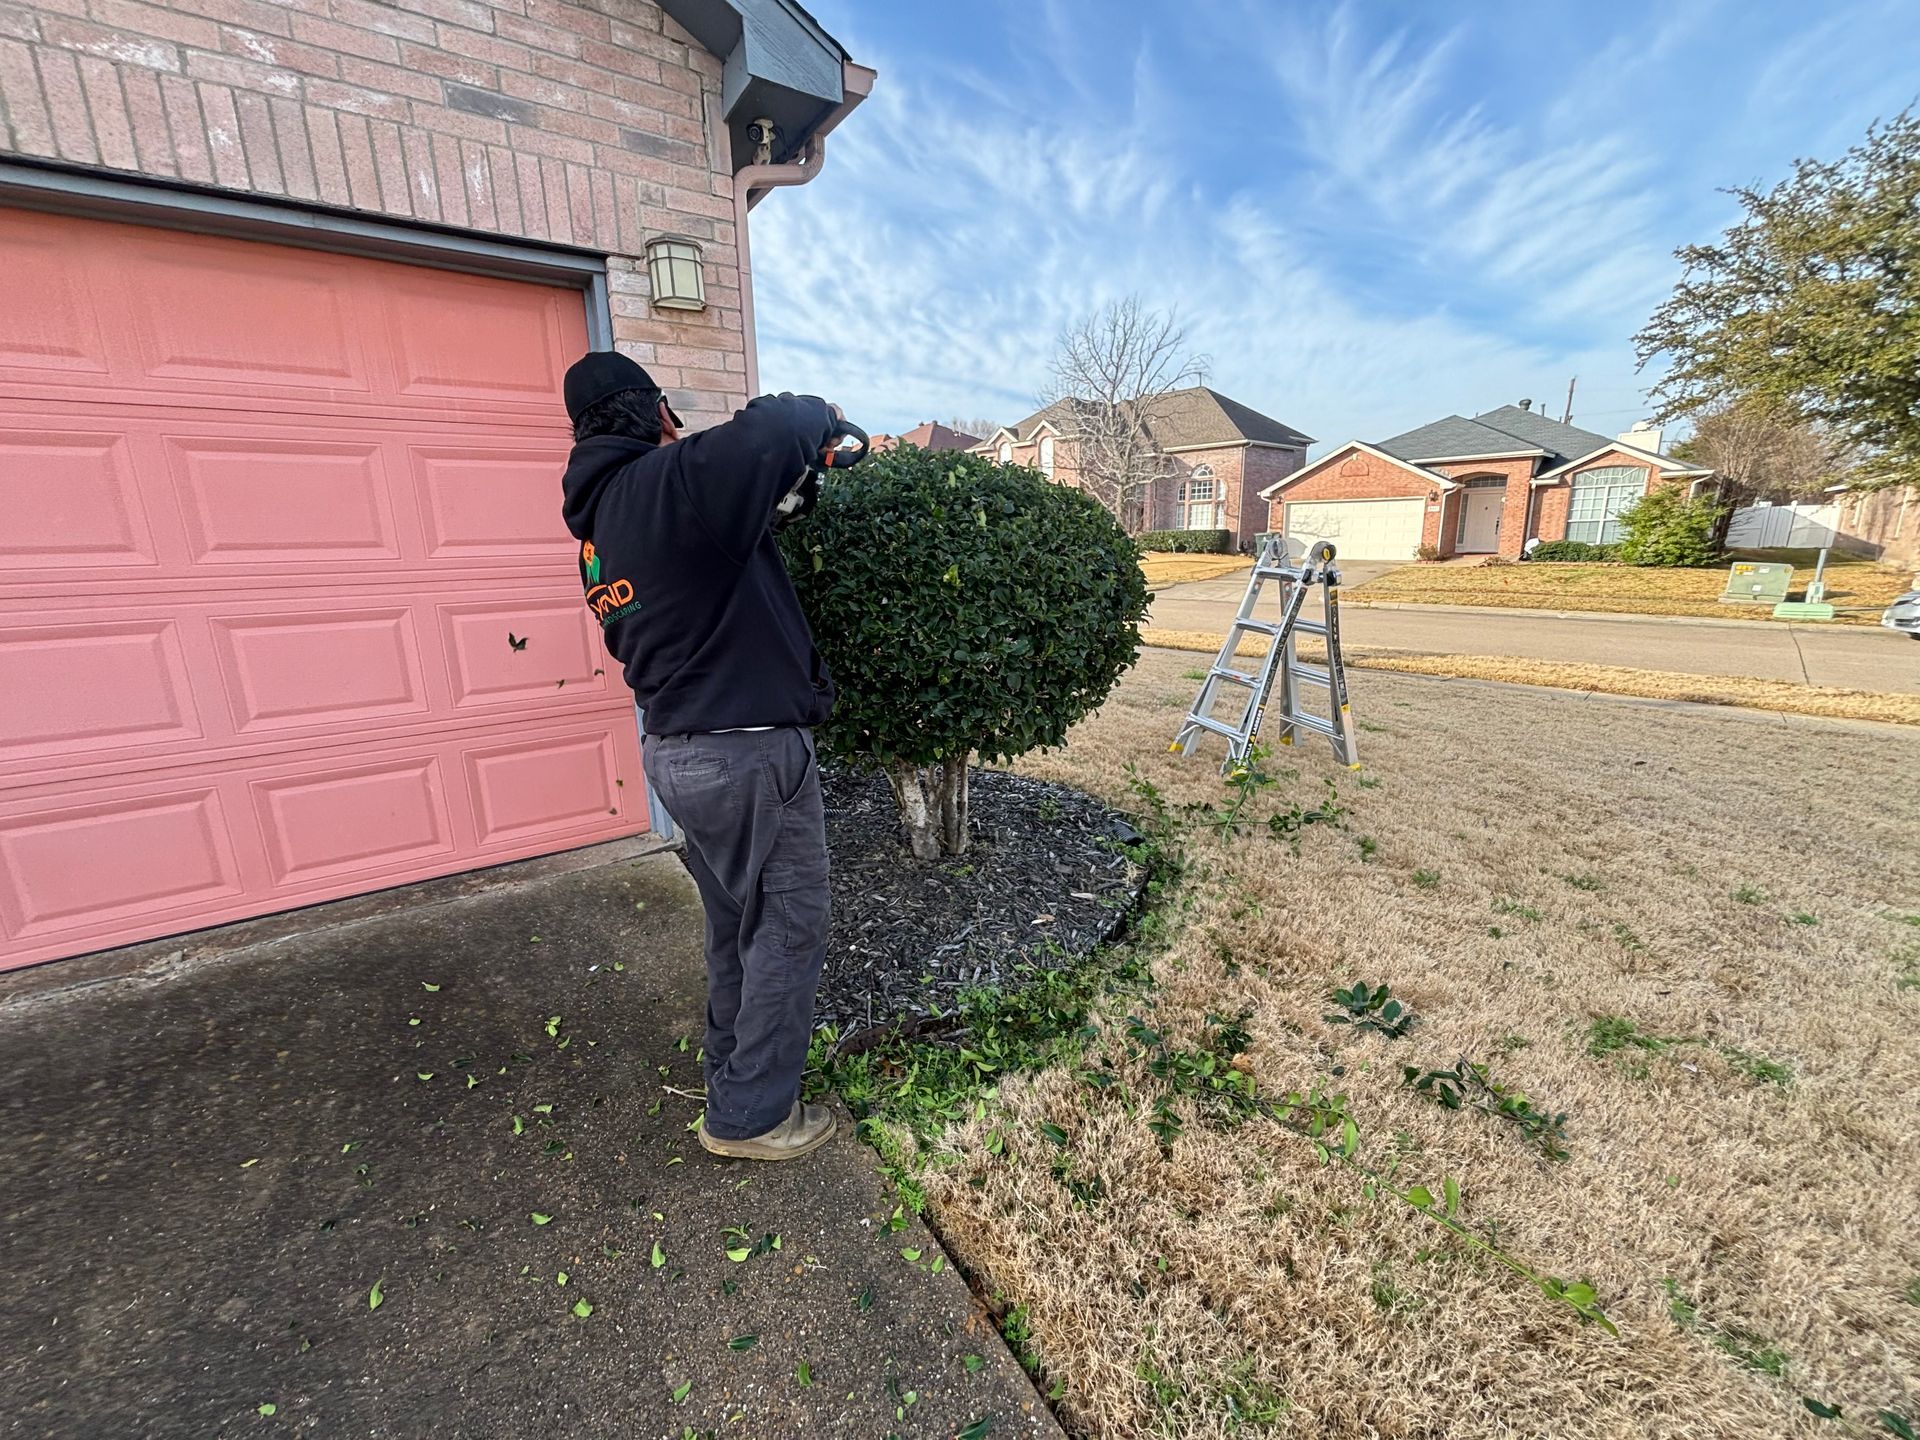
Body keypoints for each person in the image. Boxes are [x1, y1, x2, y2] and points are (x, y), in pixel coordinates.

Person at [559, 351, 840, 1162]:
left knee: (735, 928)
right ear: (653, 413)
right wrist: (819, 420)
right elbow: (785, 423)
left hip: (678, 758)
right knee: (788, 927)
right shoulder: (668, 482)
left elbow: (696, 586)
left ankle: (731, 1075)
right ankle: (752, 1118)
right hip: (747, 755)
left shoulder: (602, 534)